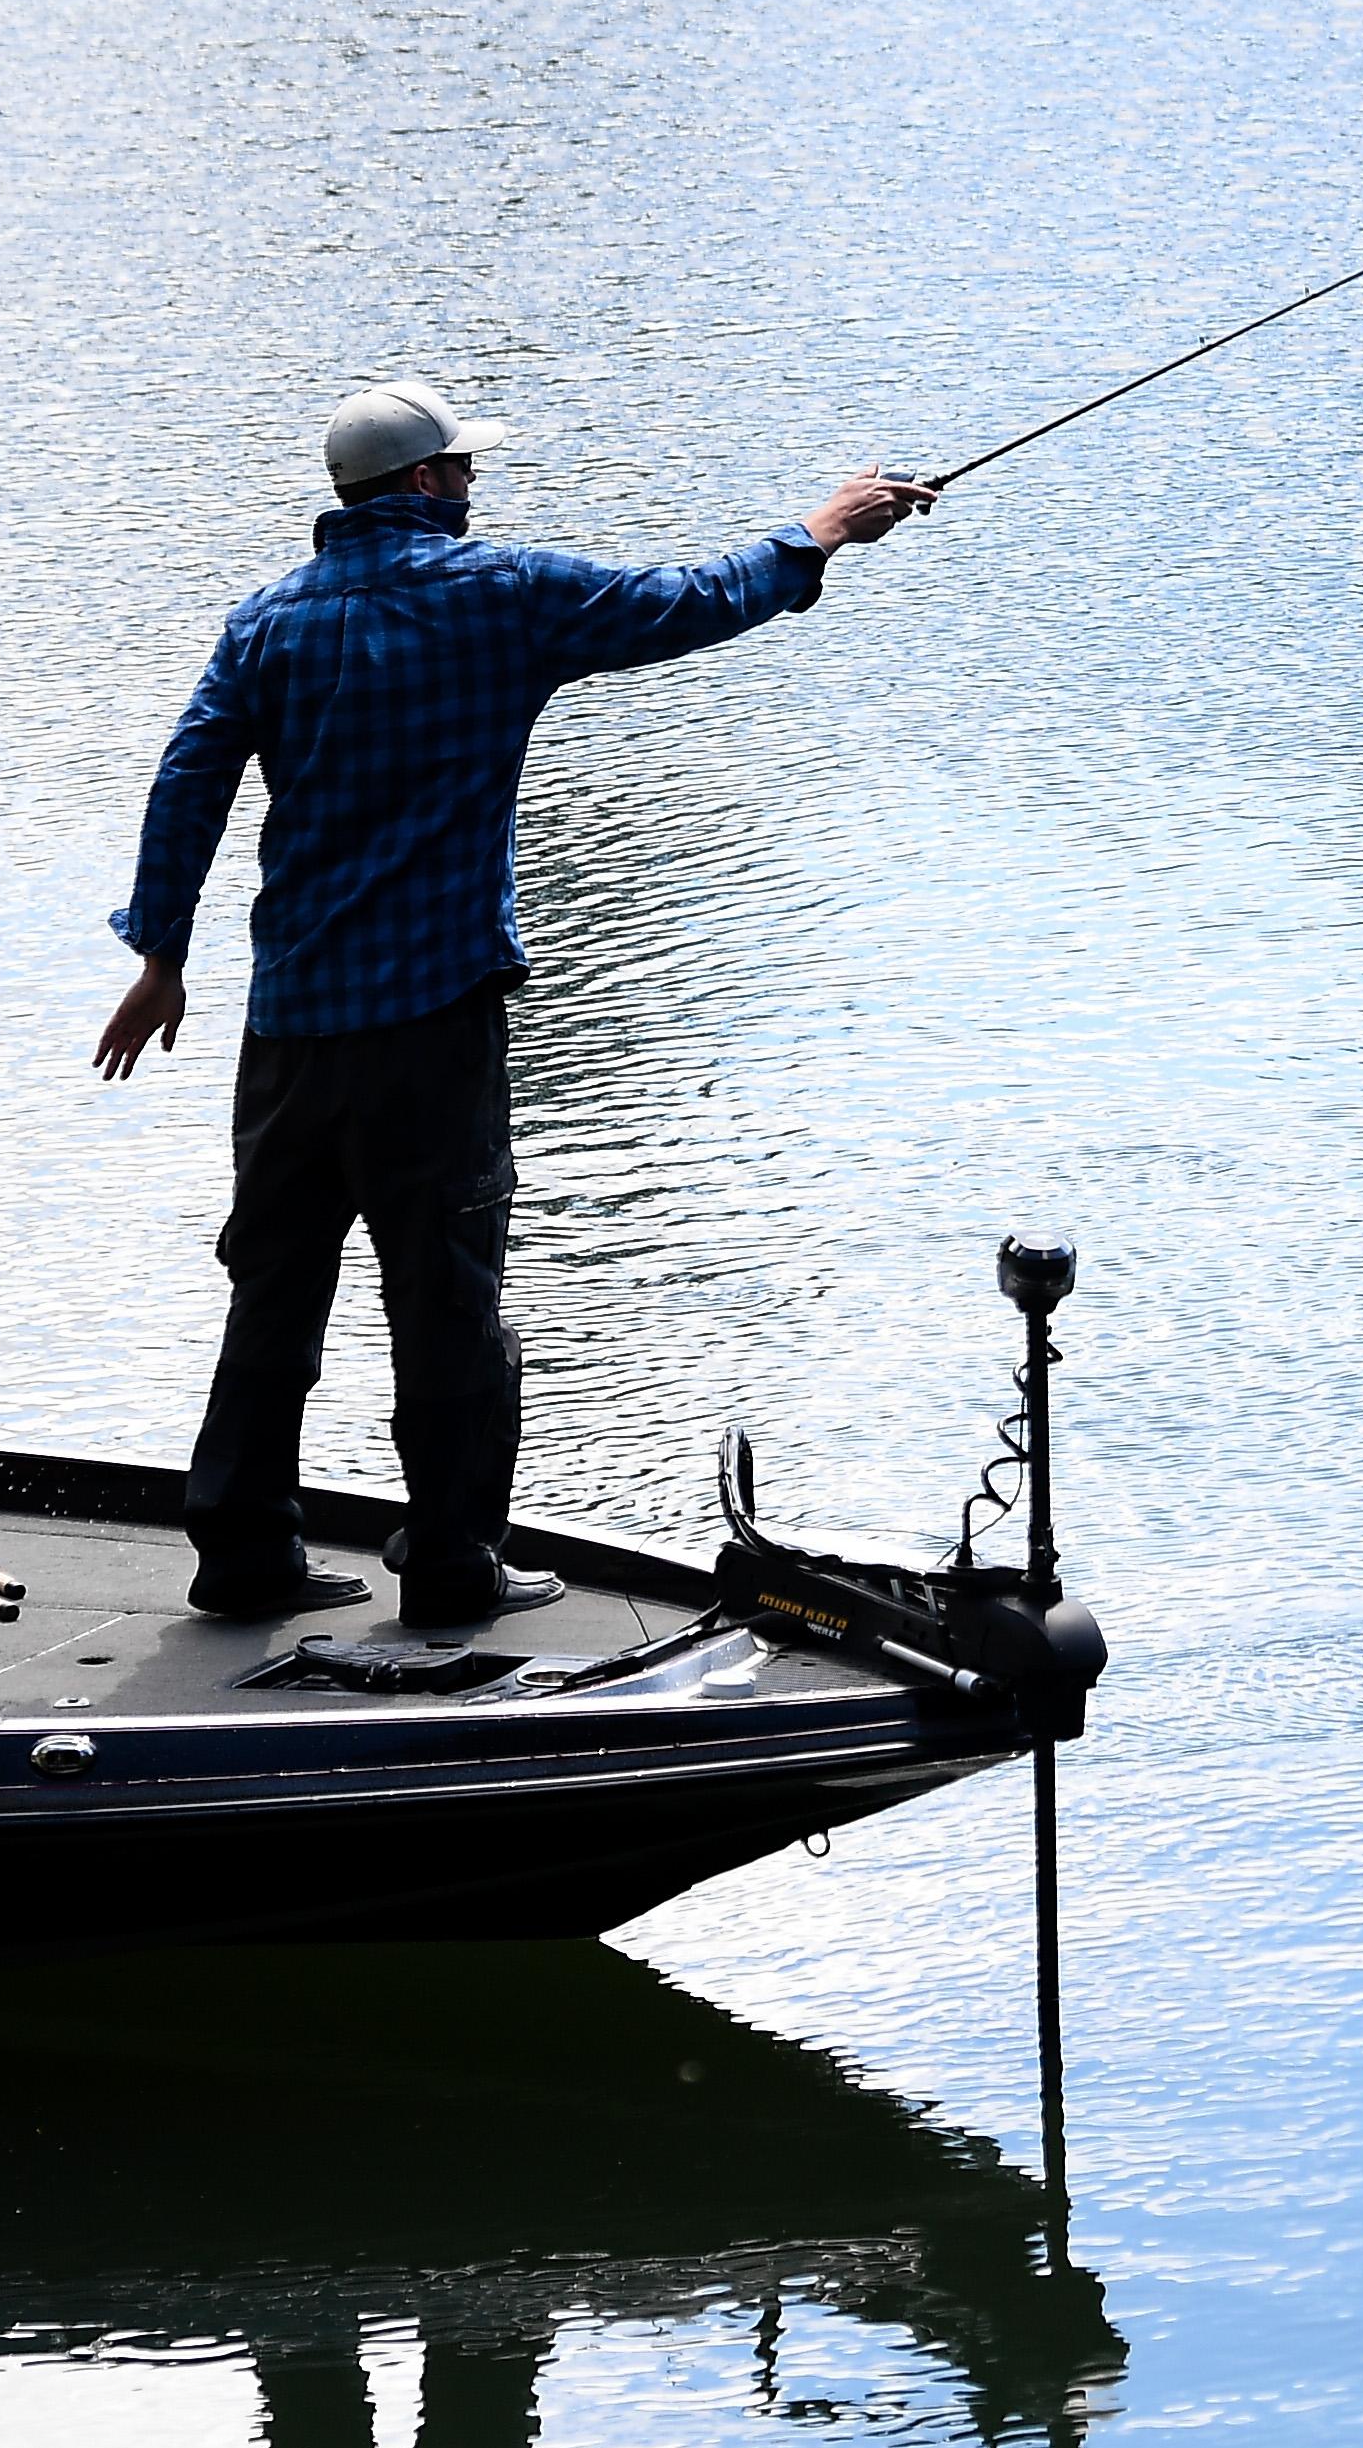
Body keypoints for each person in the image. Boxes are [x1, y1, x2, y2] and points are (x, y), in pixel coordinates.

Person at [93, 379, 933, 1626]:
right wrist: (820, 534)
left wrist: (161, 952)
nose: (475, 491)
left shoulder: (263, 624)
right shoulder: (500, 597)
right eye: (465, 474)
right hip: (432, 1025)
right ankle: (449, 1565)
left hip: (291, 1030)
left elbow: (188, 782)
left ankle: (242, 1554)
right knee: (446, 1295)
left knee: (273, 1287)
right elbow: (685, 603)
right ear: (429, 485)